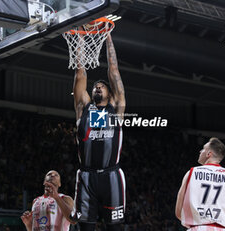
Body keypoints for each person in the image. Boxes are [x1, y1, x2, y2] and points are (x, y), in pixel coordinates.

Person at [71, 33, 126, 231]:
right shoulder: (83, 108)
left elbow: (114, 70)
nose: (97, 88)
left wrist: (108, 36)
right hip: (86, 176)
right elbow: (80, 73)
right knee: (85, 227)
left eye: (102, 86)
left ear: (110, 93)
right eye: (95, 87)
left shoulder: (116, 107)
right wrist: (82, 38)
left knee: (115, 228)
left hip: (111, 174)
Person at [175, 137, 225, 230]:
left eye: (203, 149)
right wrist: (224, 209)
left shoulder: (191, 173)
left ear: (209, 154)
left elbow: (179, 213)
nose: (200, 151)